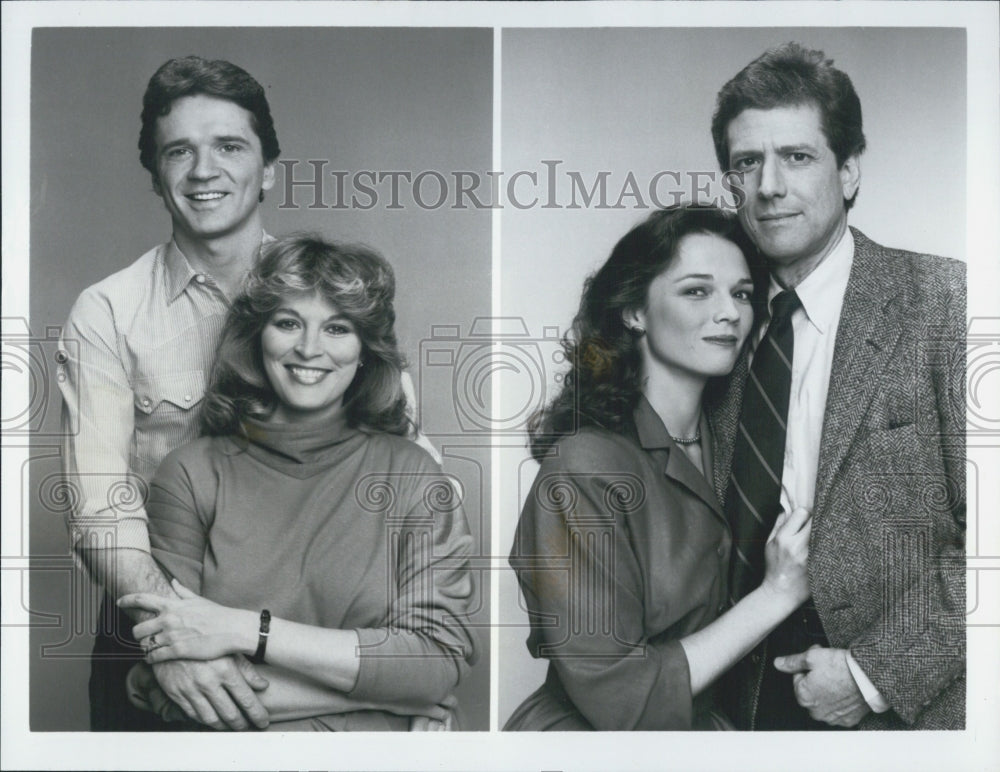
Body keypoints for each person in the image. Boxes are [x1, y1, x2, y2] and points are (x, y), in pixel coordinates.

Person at [57, 55, 432, 731]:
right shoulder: (108, 311)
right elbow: (100, 508)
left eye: (229, 146)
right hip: (152, 619)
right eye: (180, 151)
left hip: (311, 627)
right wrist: (174, 640)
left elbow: (410, 470)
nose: (204, 171)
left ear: (267, 170)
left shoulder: (334, 291)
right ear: (155, 174)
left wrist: (406, 673)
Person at [117, 235, 477, 731]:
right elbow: (172, 689)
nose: (309, 348)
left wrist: (246, 631)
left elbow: (435, 664)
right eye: (288, 323)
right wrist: (389, 697)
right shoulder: (190, 473)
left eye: (337, 327)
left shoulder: (414, 475)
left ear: (366, 350)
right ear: (257, 336)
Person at [708, 42, 966, 730]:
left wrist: (872, 674)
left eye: (796, 157)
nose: (768, 185)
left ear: (849, 171)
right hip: (735, 701)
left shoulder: (946, 301)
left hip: (906, 708)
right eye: (746, 162)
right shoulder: (711, 324)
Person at [504, 205, 813, 731]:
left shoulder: (734, 442)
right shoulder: (583, 466)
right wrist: (778, 593)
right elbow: (620, 696)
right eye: (697, 291)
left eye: (741, 294)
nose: (731, 313)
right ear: (634, 312)